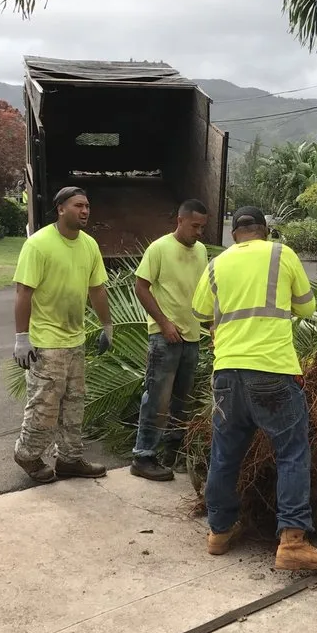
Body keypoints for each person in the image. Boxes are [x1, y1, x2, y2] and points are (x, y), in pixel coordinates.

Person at [191, 206, 317, 572]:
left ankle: (219, 533)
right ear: (265, 230)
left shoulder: (217, 263)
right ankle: (292, 542)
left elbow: (198, 312)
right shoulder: (281, 254)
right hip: (272, 370)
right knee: (291, 452)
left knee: (225, 455)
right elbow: (306, 308)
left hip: (226, 372)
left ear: (234, 234)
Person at [12, 186, 112, 483]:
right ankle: (27, 455)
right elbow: (23, 292)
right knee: (44, 406)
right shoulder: (39, 245)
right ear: (60, 209)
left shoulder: (89, 245)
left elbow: (97, 289)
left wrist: (107, 325)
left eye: (87, 206)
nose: (85, 211)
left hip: (75, 340)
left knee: (74, 404)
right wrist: (21, 337)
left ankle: (70, 459)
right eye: (78, 205)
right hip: (46, 344)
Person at [131, 199, 210, 481]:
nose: (199, 232)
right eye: (194, 226)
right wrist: (164, 323)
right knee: (157, 398)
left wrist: (211, 325)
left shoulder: (201, 252)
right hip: (164, 338)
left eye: (202, 227)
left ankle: (171, 454)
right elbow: (141, 288)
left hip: (192, 337)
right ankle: (143, 456)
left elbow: (202, 293)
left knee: (182, 400)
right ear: (179, 221)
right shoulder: (159, 248)